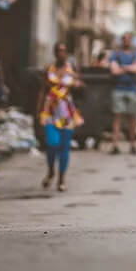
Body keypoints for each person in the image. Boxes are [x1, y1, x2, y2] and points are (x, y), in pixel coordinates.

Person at [38, 42, 84, 192]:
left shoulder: (72, 69)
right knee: (52, 143)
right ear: (54, 52)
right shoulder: (49, 69)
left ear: (67, 53)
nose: (61, 53)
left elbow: (82, 87)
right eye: (58, 50)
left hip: (67, 112)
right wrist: (38, 110)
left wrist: (78, 85)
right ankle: (51, 170)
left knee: (64, 147)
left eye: (64, 51)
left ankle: (61, 179)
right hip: (51, 111)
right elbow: (43, 90)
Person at [109, 33, 136, 155]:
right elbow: (114, 71)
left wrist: (122, 68)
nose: (126, 41)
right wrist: (131, 68)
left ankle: (133, 144)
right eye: (124, 39)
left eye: (129, 39)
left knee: (132, 118)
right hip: (119, 89)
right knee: (117, 117)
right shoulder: (116, 54)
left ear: (132, 41)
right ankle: (115, 145)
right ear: (122, 40)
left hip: (132, 89)